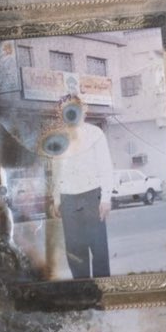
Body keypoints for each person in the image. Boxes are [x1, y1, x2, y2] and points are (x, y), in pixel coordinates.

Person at [46, 95, 114, 279]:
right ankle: (83, 289)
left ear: (83, 110)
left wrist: (106, 198)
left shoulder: (95, 134)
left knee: (99, 249)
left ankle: (102, 290)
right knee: (75, 252)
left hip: (92, 198)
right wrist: (57, 199)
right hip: (68, 200)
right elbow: (57, 171)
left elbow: (106, 167)